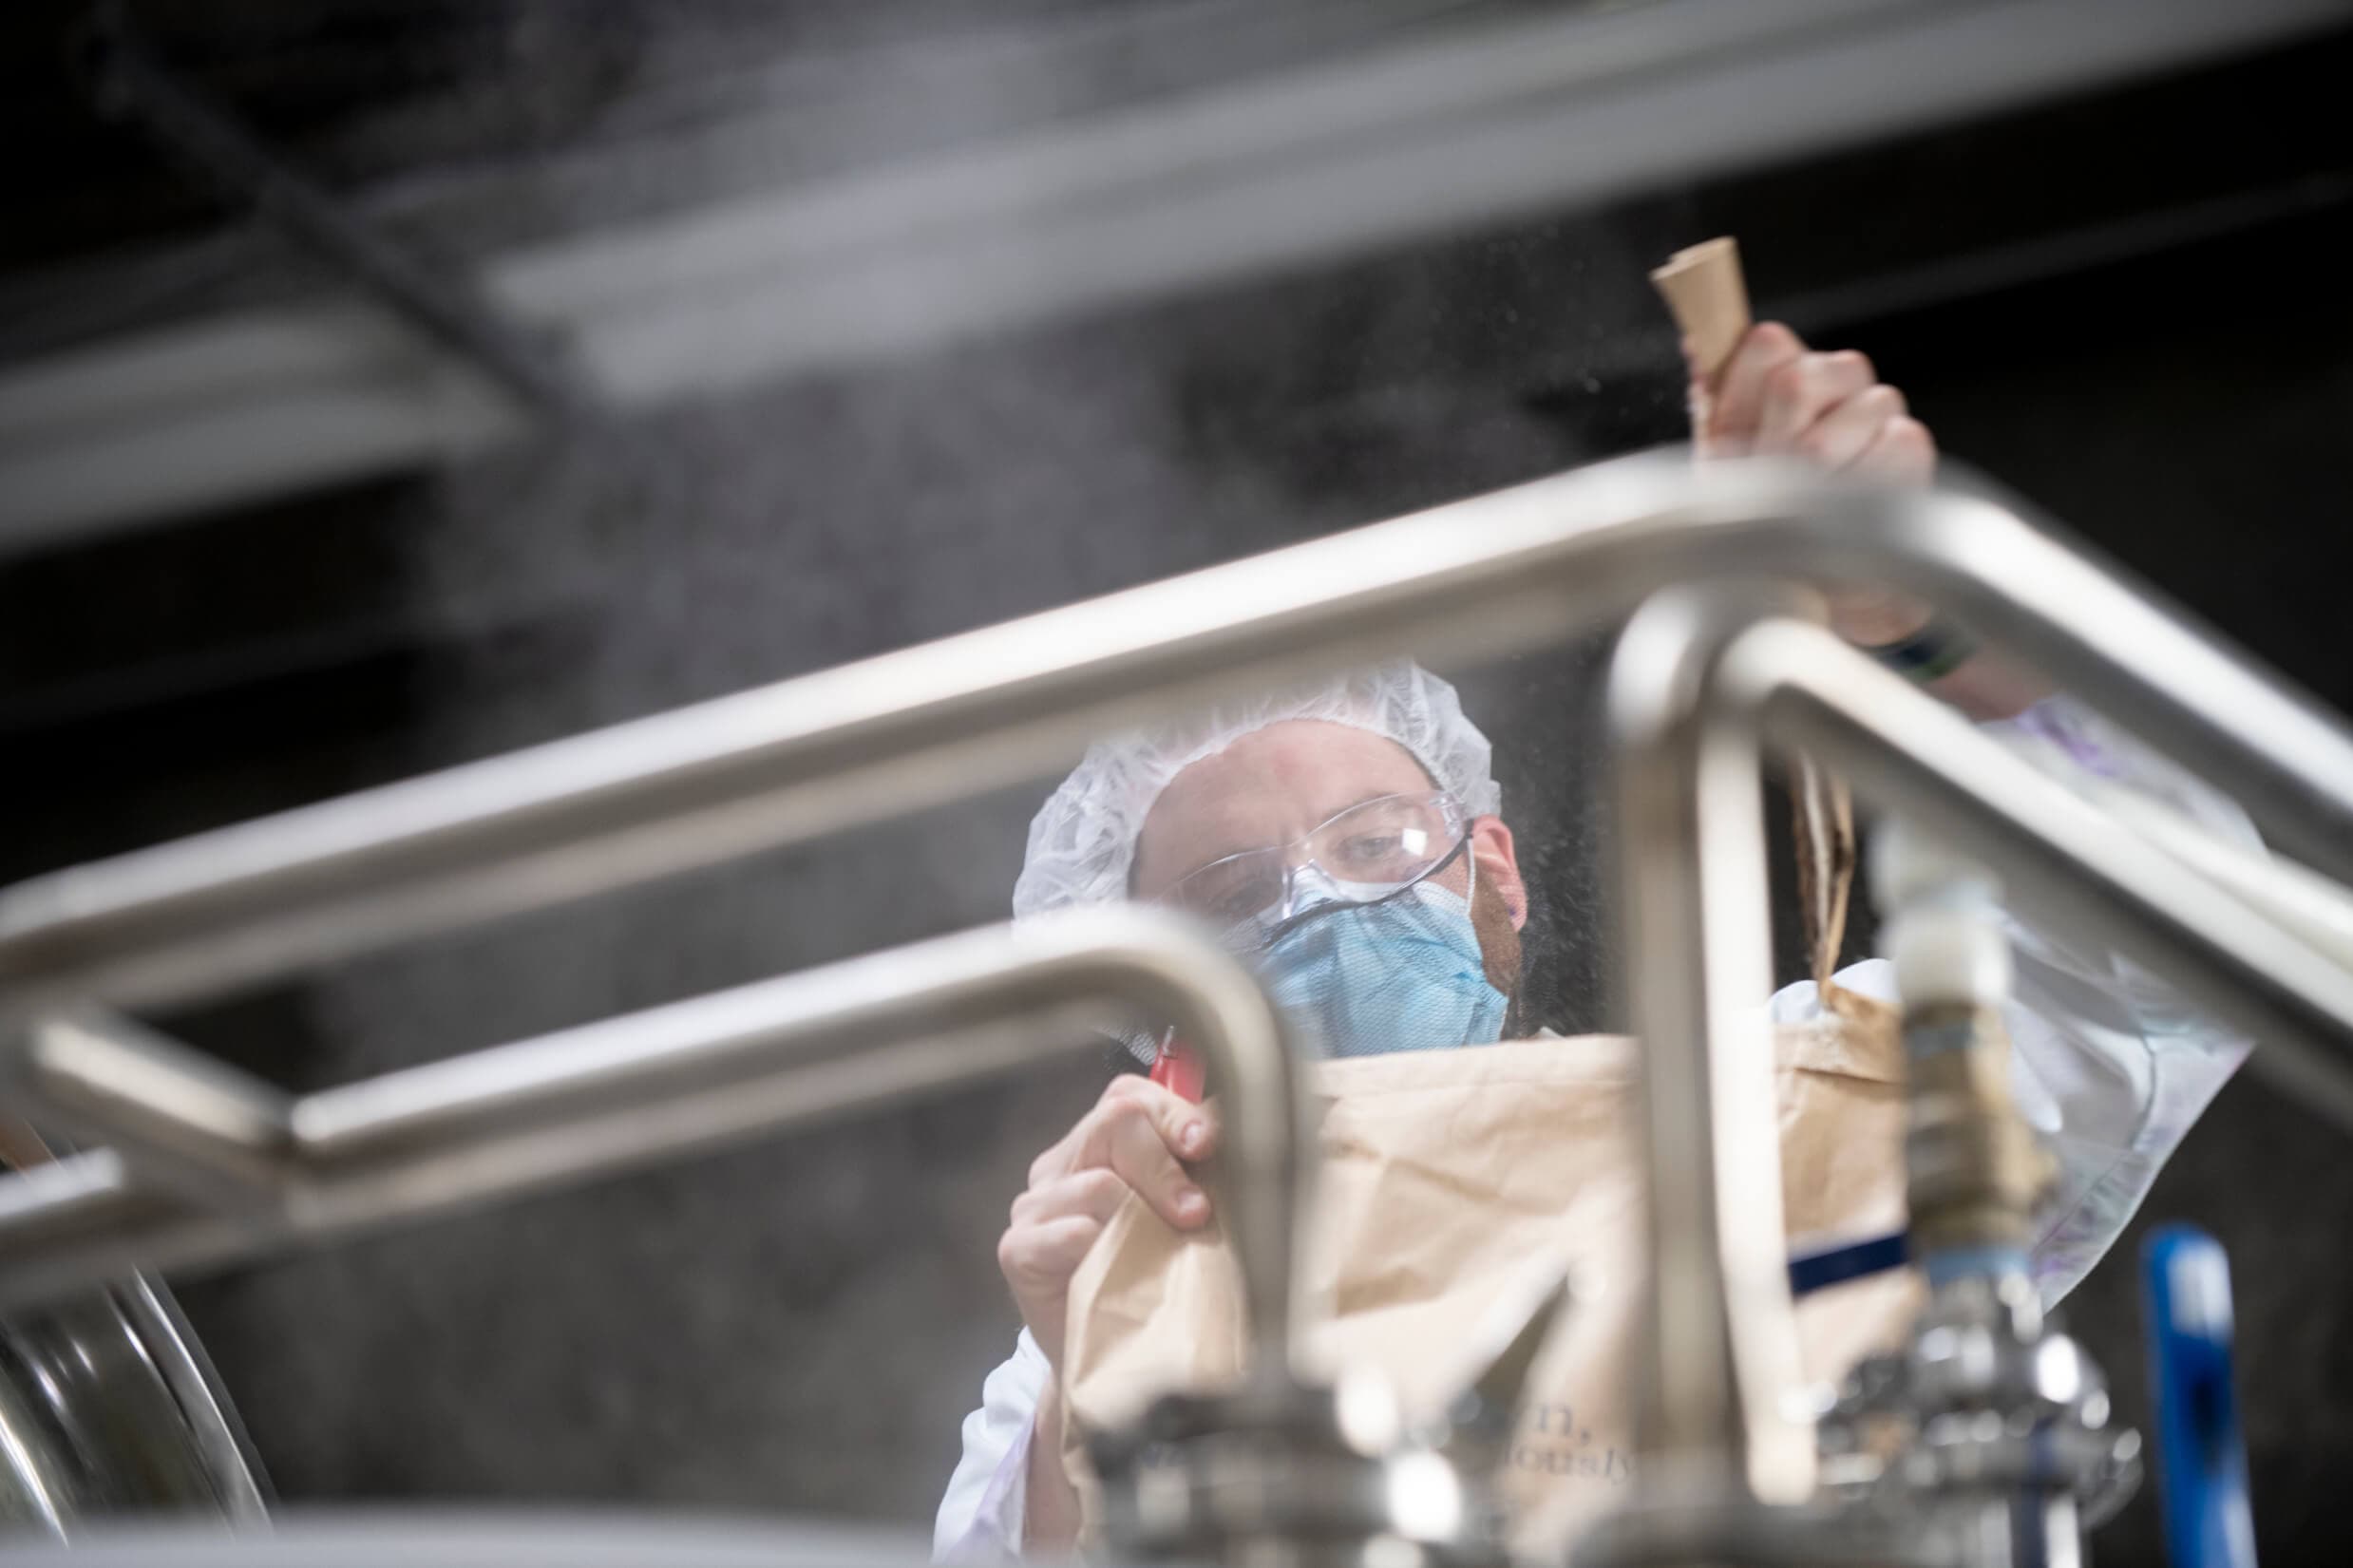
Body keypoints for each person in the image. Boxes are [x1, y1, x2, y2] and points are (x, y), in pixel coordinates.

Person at [934, 325, 2259, 1558]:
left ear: (1492, 878)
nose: (1318, 907)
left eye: (1376, 842)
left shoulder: (1770, 1118)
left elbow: (2172, 941)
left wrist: (1917, 608)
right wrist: (1081, 1360)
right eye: (1230, 897)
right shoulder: (1117, 1290)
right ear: (1163, 1025)